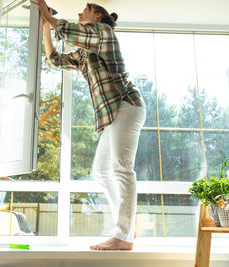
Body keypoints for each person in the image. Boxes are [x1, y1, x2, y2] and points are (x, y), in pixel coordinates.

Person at [30, 0, 146, 250]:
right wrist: (45, 27)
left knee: (121, 168)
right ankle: (125, 229)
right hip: (113, 113)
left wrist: (45, 12)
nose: (80, 13)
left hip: (126, 104)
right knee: (101, 172)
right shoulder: (85, 53)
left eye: (86, 10)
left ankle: (123, 236)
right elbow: (55, 59)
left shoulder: (105, 34)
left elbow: (73, 31)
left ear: (97, 17)